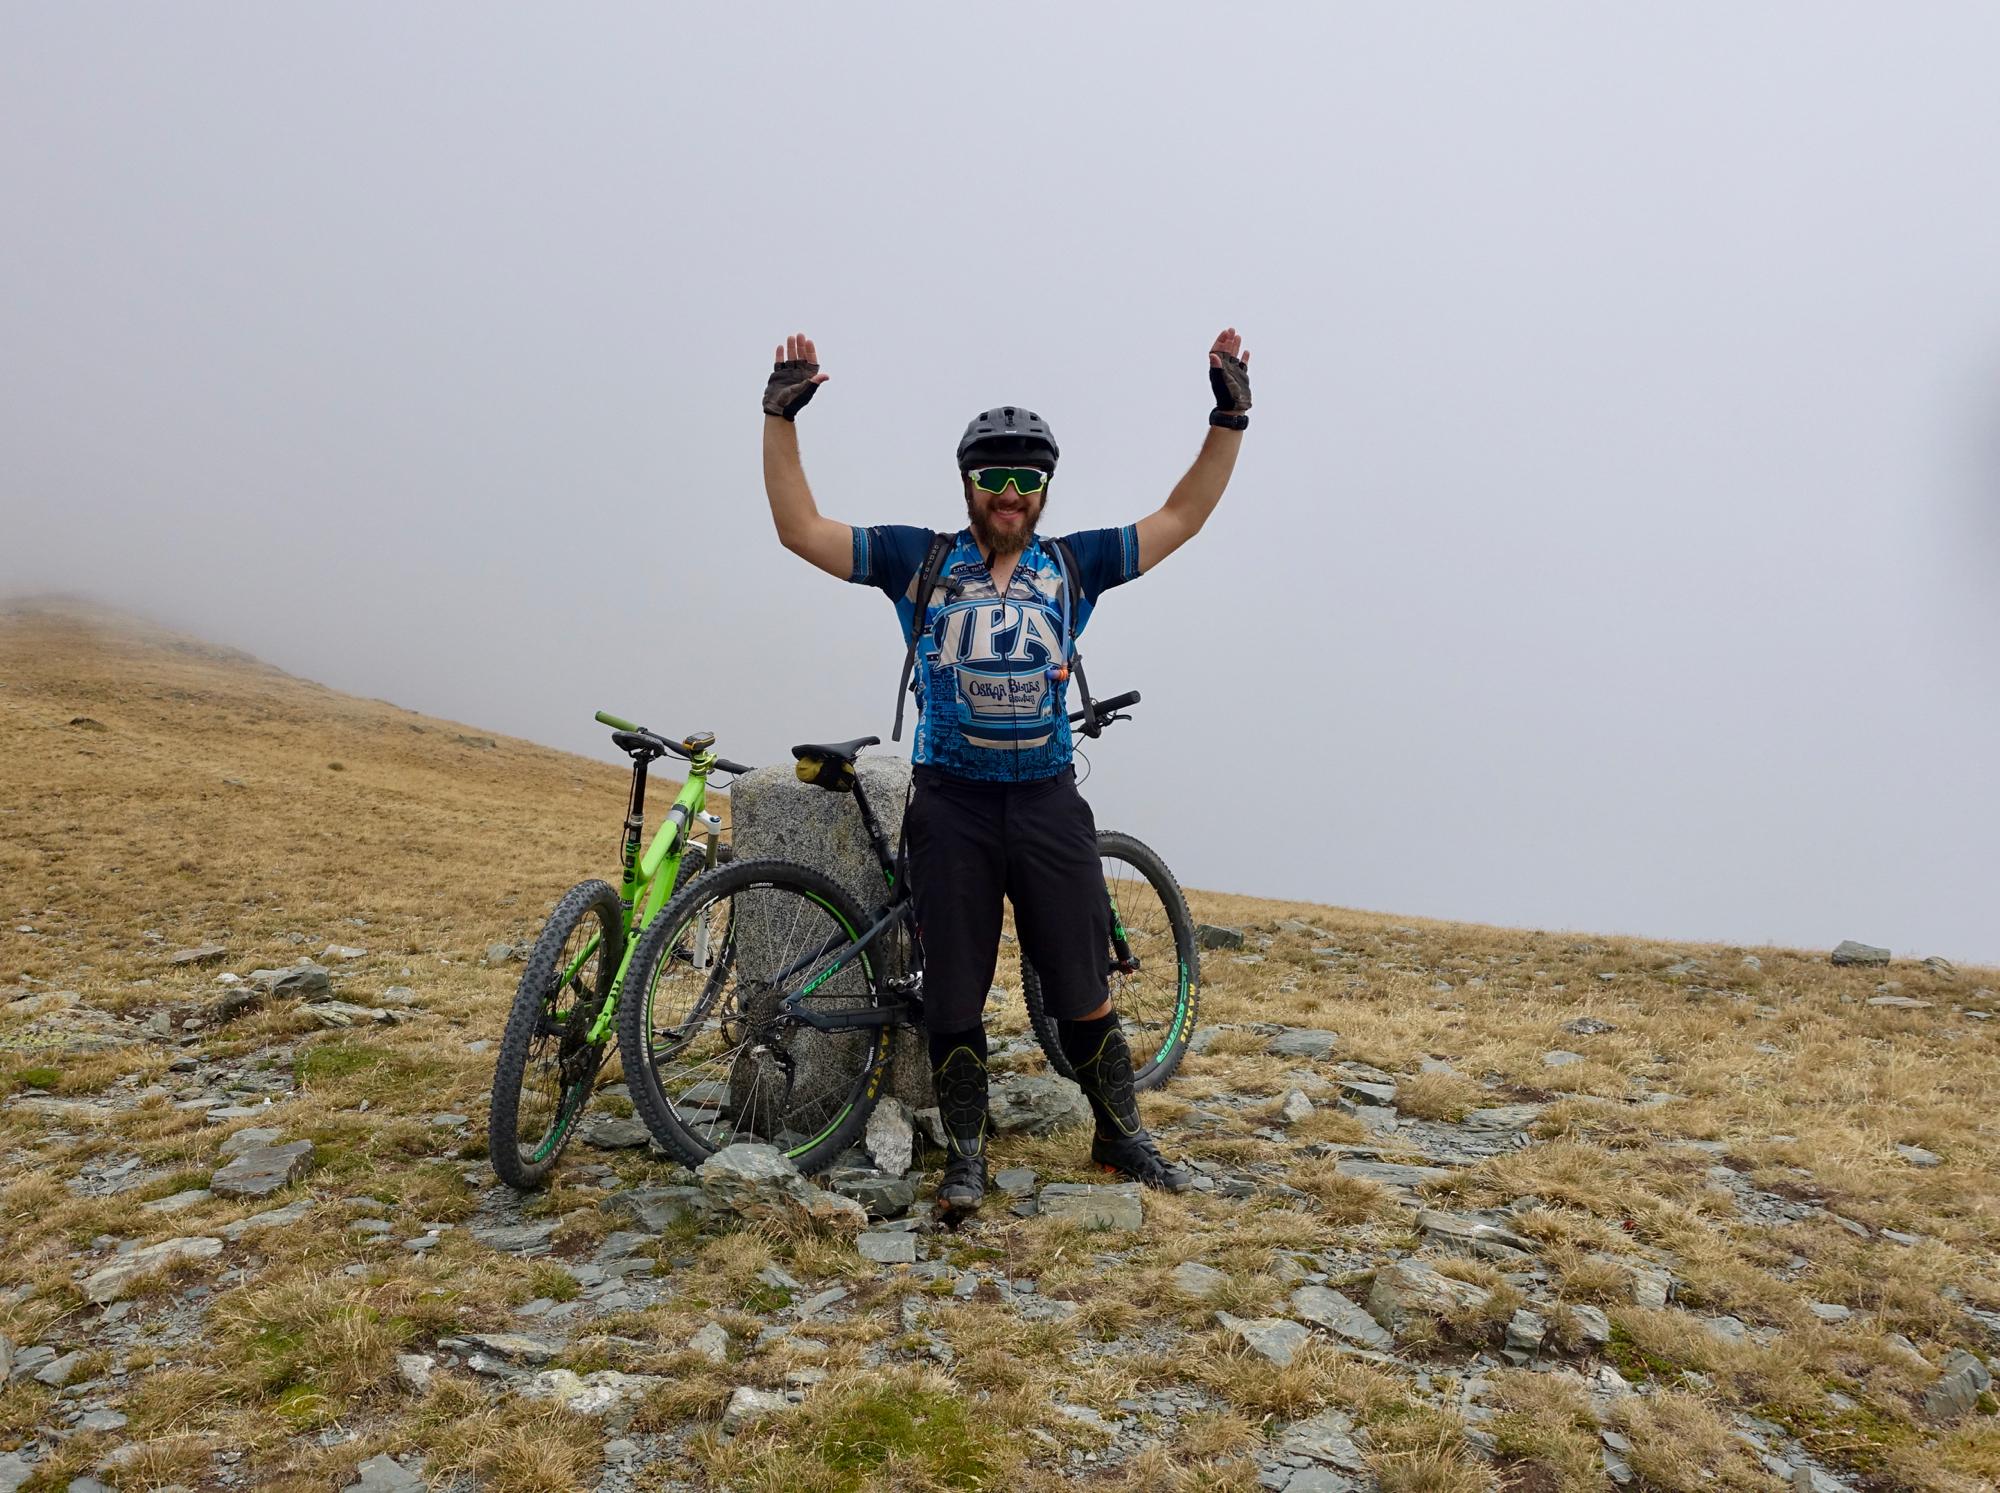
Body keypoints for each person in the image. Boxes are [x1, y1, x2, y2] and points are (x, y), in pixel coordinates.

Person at [759, 329, 1251, 1217]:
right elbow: (801, 530)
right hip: (951, 804)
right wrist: (778, 417)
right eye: (996, 478)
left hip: (1048, 801)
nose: (1011, 494)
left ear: (1045, 491)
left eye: (1028, 480)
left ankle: (1120, 1134)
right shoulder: (919, 560)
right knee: (954, 991)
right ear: (968, 485)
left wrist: (1229, 418)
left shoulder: (1076, 565)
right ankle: (967, 1158)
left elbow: (1181, 518)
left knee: (1080, 986)